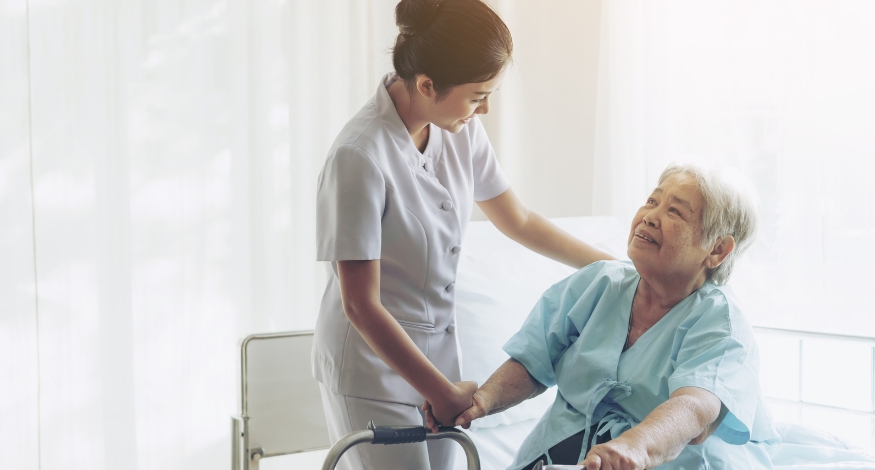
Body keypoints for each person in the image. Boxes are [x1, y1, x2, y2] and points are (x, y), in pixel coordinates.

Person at [312, 0, 615, 468]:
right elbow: (360, 305)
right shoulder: (359, 156)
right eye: (478, 95)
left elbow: (518, 220)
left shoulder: (458, 127)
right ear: (428, 85)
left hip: (438, 364)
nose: (486, 108)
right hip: (371, 372)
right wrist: (442, 392)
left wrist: (615, 269)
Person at [426, 164, 780, 469]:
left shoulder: (721, 325)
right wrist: (482, 400)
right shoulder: (598, 283)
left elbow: (694, 408)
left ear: (717, 249)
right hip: (558, 452)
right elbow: (533, 360)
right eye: (652, 201)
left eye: (675, 212)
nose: (650, 216)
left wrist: (636, 445)